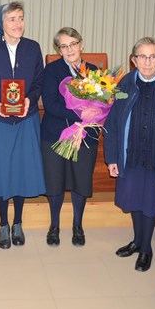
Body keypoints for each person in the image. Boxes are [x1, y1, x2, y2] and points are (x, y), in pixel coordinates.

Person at [0, 1, 46, 249]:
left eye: (21, 18)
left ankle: (18, 222)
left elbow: (39, 81)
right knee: (1, 172)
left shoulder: (33, 48)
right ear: (1, 24)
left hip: (26, 120)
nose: (18, 24)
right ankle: (3, 224)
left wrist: (30, 99)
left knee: (20, 171)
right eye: (12, 19)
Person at [103, 37, 155, 272]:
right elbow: (112, 123)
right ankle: (136, 241)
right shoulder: (124, 83)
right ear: (133, 60)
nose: (147, 61)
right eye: (142, 56)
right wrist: (112, 157)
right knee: (134, 200)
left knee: (151, 203)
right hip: (131, 154)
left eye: (153, 56)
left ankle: (146, 248)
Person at [41, 27, 99, 247]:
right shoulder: (51, 70)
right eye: (63, 46)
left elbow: (103, 103)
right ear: (59, 49)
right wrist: (79, 113)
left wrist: (92, 114)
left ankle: (78, 226)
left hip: (85, 137)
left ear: (81, 45)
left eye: (73, 44)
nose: (69, 49)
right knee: (54, 182)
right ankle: (54, 226)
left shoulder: (94, 72)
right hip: (55, 134)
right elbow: (50, 103)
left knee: (81, 181)